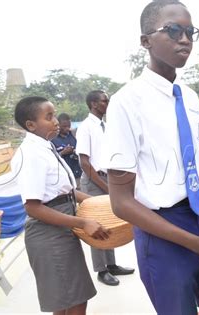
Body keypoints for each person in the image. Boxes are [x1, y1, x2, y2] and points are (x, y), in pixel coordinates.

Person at [101, 1, 199, 314]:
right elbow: (121, 202)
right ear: (145, 40)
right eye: (173, 30)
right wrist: (198, 245)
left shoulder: (190, 97)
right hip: (163, 229)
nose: (185, 39)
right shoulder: (127, 103)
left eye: (190, 31)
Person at [11, 96, 109, 314]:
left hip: (61, 229)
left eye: (54, 115)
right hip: (49, 235)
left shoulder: (45, 147)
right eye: (49, 117)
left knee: (69, 298)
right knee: (73, 301)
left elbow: (64, 190)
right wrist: (83, 221)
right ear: (31, 125)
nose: (56, 121)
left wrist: (97, 202)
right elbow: (33, 207)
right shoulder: (30, 154)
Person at [76, 90, 134, 286]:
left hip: (107, 179)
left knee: (109, 222)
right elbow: (84, 162)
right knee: (97, 224)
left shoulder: (106, 126)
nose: (107, 103)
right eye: (104, 101)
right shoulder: (86, 127)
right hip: (94, 181)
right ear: (93, 104)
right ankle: (101, 270)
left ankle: (111, 264)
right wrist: (106, 187)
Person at [51, 113, 82, 189]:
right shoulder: (52, 139)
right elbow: (51, 158)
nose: (67, 128)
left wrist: (75, 151)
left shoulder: (74, 135)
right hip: (63, 177)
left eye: (69, 126)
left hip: (77, 174)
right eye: (64, 126)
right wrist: (62, 153)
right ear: (58, 125)